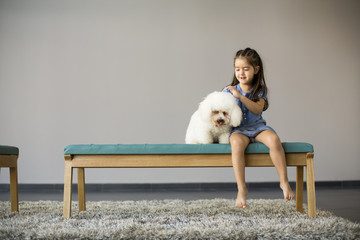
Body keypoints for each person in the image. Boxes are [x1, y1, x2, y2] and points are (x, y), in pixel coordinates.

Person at [223, 48, 295, 208]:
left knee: (274, 140)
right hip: (239, 130)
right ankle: (241, 189)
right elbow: (221, 111)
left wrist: (240, 96)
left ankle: (284, 182)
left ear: (256, 69)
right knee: (235, 144)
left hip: (257, 127)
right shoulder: (228, 90)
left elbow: (257, 109)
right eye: (237, 69)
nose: (241, 73)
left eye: (246, 69)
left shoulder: (260, 90)